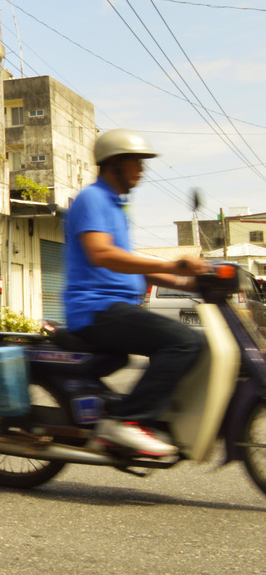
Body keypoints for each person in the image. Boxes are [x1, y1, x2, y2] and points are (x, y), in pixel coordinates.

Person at [64, 129, 206, 457]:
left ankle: (151, 417)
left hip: (117, 307)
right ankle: (127, 422)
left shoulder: (116, 206)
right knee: (184, 341)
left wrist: (189, 283)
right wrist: (175, 265)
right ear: (114, 164)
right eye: (136, 162)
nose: (141, 170)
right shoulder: (93, 198)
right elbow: (103, 254)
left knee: (193, 342)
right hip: (97, 309)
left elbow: (135, 267)